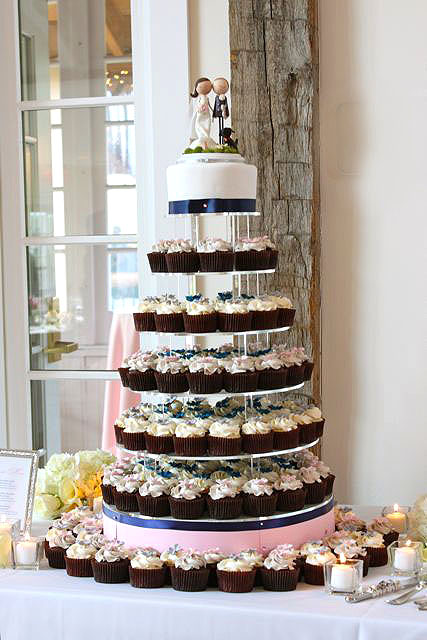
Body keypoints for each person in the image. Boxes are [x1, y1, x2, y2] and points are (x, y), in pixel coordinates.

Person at [189, 77, 216, 149]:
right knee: (199, 126)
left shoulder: (203, 97)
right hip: (201, 114)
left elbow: (206, 105)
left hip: (204, 114)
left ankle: (204, 141)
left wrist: (201, 108)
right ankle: (203, 140)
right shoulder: (202, 97)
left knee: (203, 126)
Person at [212, 77, 230, 144]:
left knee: (222, 125)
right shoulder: (216, 97)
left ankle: (223, 142)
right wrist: (214, 114)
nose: (220, 87)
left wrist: (226, 112)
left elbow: (226, 105)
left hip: (223, 112)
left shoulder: (224, 97)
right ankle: (220, 142)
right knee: (219, 126)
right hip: (218, 112)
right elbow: (215, 105)